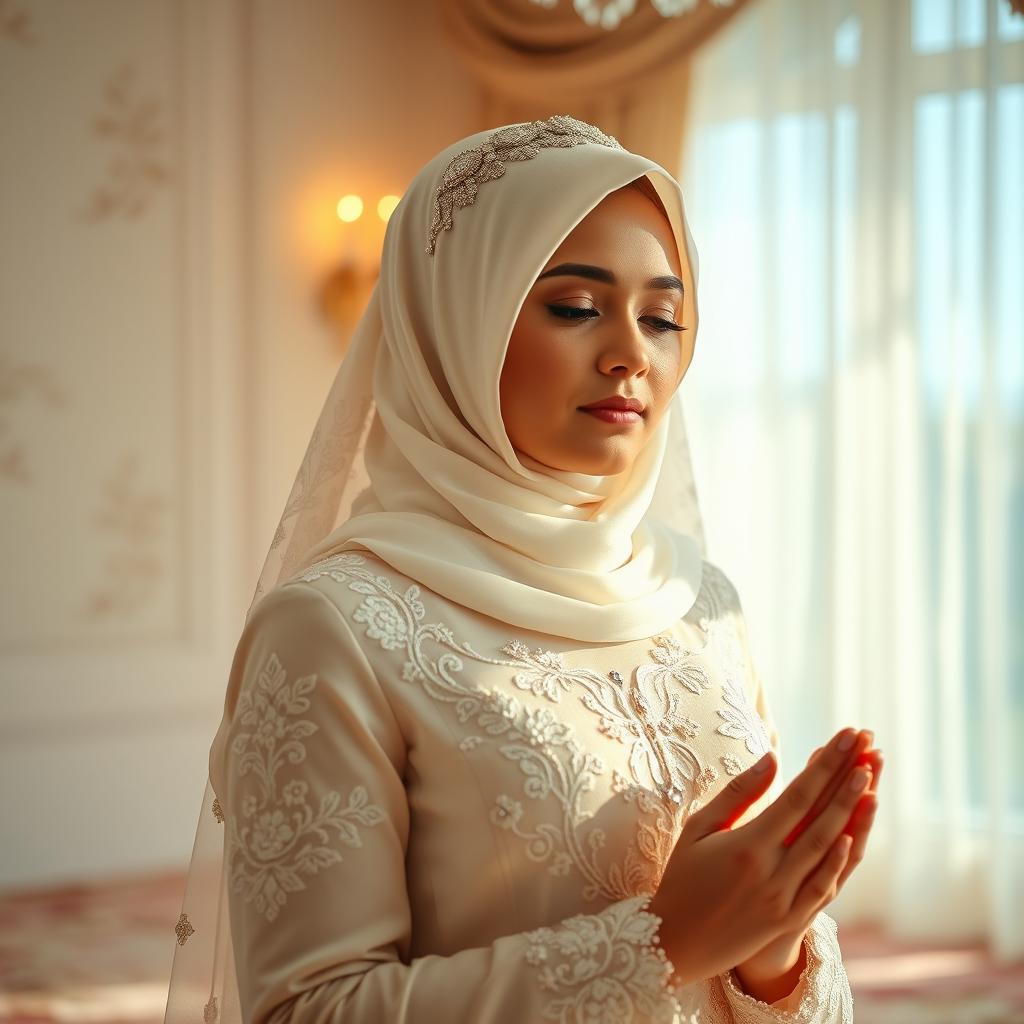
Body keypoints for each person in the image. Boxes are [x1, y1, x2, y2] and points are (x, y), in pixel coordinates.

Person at [163, 115, 882, 1024]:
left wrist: (773, 947)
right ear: (456, 322)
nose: (631, 353)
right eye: (577, 307)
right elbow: (307, 1012)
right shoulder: (332, 626)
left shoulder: (700, 598)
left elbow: (763, 978)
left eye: (663, 317)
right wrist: (662, 944)